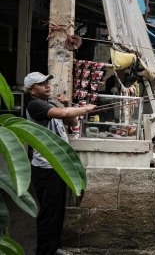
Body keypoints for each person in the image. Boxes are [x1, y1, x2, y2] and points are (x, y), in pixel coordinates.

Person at [24, 72, 96, 255]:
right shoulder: (35, 106)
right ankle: (45, 251)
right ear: (31, 90)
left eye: (47, 82)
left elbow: (71, 121)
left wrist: (68, 105)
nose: (47, 86)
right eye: (41, 84)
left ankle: (53, 248)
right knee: (49, 213)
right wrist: (85, 108)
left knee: (56, 212)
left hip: (56, 165)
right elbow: (65, 114)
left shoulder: (49, 105)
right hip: (45, 167)